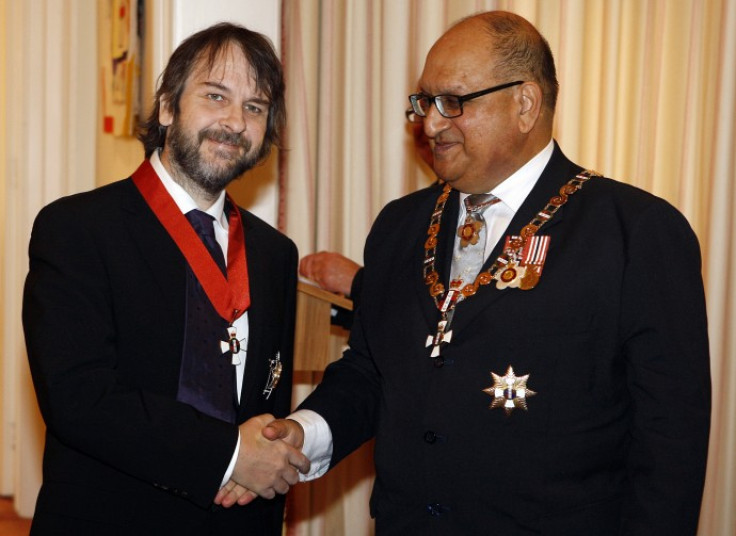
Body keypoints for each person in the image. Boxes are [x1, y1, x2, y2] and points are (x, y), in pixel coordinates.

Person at [260, 11, 711, 535]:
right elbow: (370, 372)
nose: (429, 124)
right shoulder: (399, 226)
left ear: (525, 104)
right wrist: (302, 433)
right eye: (424, 103)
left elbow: (669, 445)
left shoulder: (636, 232)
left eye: (453, 102)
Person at [22, 23, 309, 534]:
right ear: (168, 107)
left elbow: (265, 407)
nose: (235, 122)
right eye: (216, 96)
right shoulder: (77, 229)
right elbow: (79, 399)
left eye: (255, 107)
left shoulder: (274, 254)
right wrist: (229, 454)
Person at [299, 108, 435, 325]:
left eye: (445, 103)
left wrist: (355, 282)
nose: (427, 124)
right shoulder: (404, 215)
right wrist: (332, 301)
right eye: (419, 108)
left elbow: (439, 316)